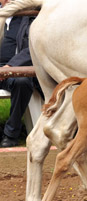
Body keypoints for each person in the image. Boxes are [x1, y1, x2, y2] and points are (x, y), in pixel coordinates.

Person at [0, 0, 42, 147]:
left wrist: (9, 67)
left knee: (22, 82)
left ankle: (10, 134)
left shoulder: (31, 15)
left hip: (17, 67)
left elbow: (33, 46)